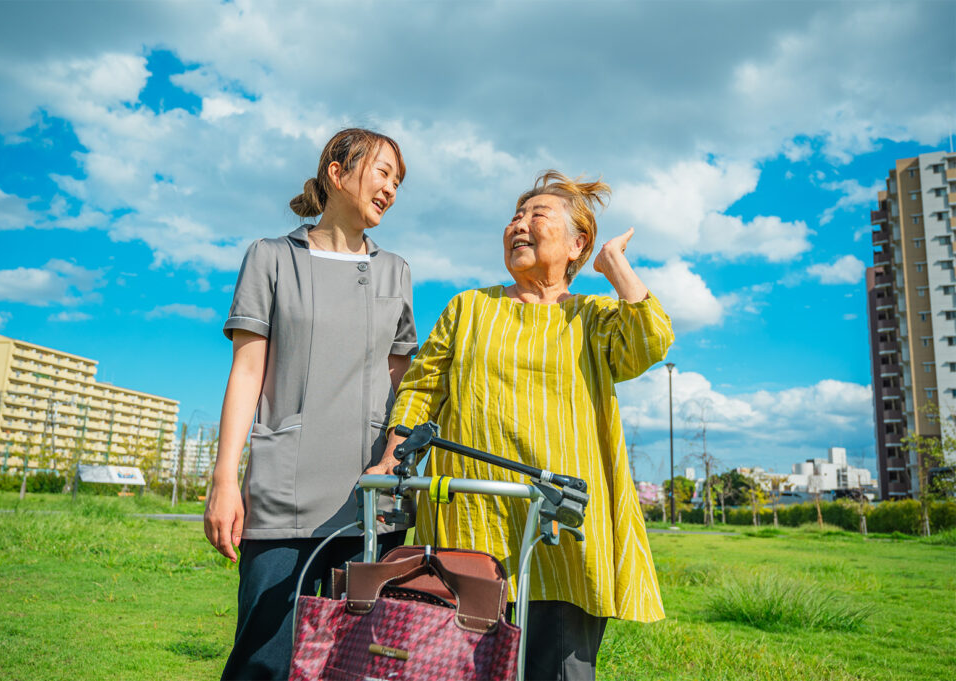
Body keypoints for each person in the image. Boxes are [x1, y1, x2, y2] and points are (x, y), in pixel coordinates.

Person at [371, 170, 673, 681]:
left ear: (578, 244)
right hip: (470, 520)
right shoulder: (469, 307)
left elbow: (650, 341)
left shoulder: (595, 317)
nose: (519, 225)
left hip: (563, 526)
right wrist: (388, 460)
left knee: (559, 670)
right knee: (458, 665)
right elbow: (421, 389)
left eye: (538, 215)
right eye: (515, 216)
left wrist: (615, 265)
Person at [204, 128, 417, 681]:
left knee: (356, 664)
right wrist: (226, 479)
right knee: (263, 659)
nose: (391, 188)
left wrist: (397, 463)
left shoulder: (396, 271)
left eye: (398, 180)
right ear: (336, 171)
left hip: (373, 499)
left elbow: (405, 383)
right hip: (282, 492)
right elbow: (247, 370)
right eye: (382, 171)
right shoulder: (271, 258)